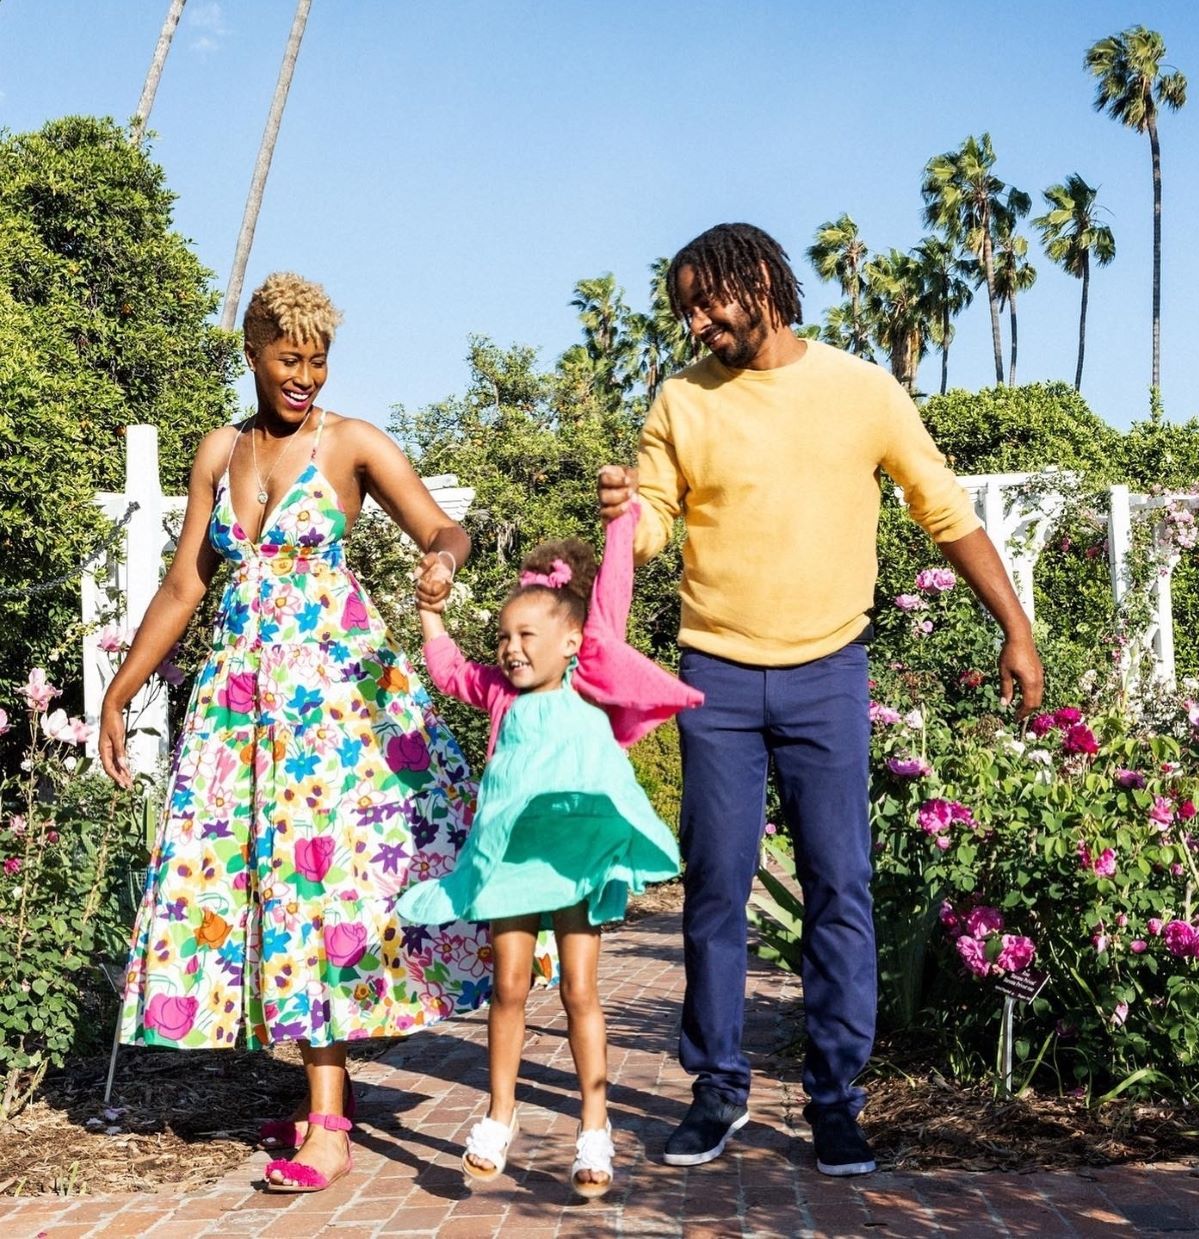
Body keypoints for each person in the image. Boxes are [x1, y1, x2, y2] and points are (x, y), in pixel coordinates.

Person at [597, 222, 1044, 1177]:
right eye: (686, 309)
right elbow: (656, 523)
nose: (699, 321)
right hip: (711, 671)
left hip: (828, 670)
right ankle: (716, 1090)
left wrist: (1017, 625)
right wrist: (624, 517)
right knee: (715, 884)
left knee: (840, 887)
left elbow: (944, 509)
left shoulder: (862, 389)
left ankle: (837, 1101)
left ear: (760, 280)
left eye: (709, 299)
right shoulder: (680, 400)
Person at [100, 272, 486, 1194]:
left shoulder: (349, 443)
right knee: (261, 893)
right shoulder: (218, 452)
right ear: (253, 351)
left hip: (338, 706)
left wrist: (439, 561)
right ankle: (327, 1095)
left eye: (318, 359)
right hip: (240, 706)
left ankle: (325, 1125)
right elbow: (185, 586)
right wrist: (121, 691)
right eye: (289, 358)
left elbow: (444, 527)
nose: (306, 374)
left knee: (321, 893)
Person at [397, 505, 701, 1196]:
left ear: (572, 641)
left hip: (572, 857)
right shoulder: (501, 692)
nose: (510, 648)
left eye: (527, 634)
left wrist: (621, 521)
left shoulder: (588, 680)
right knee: (507, 989)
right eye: (504, 636)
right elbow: (449, 671)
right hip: (509, 861)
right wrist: (430, 616)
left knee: (577, 990)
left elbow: (612, 592)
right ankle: (499, 1116)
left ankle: (594, 1128)